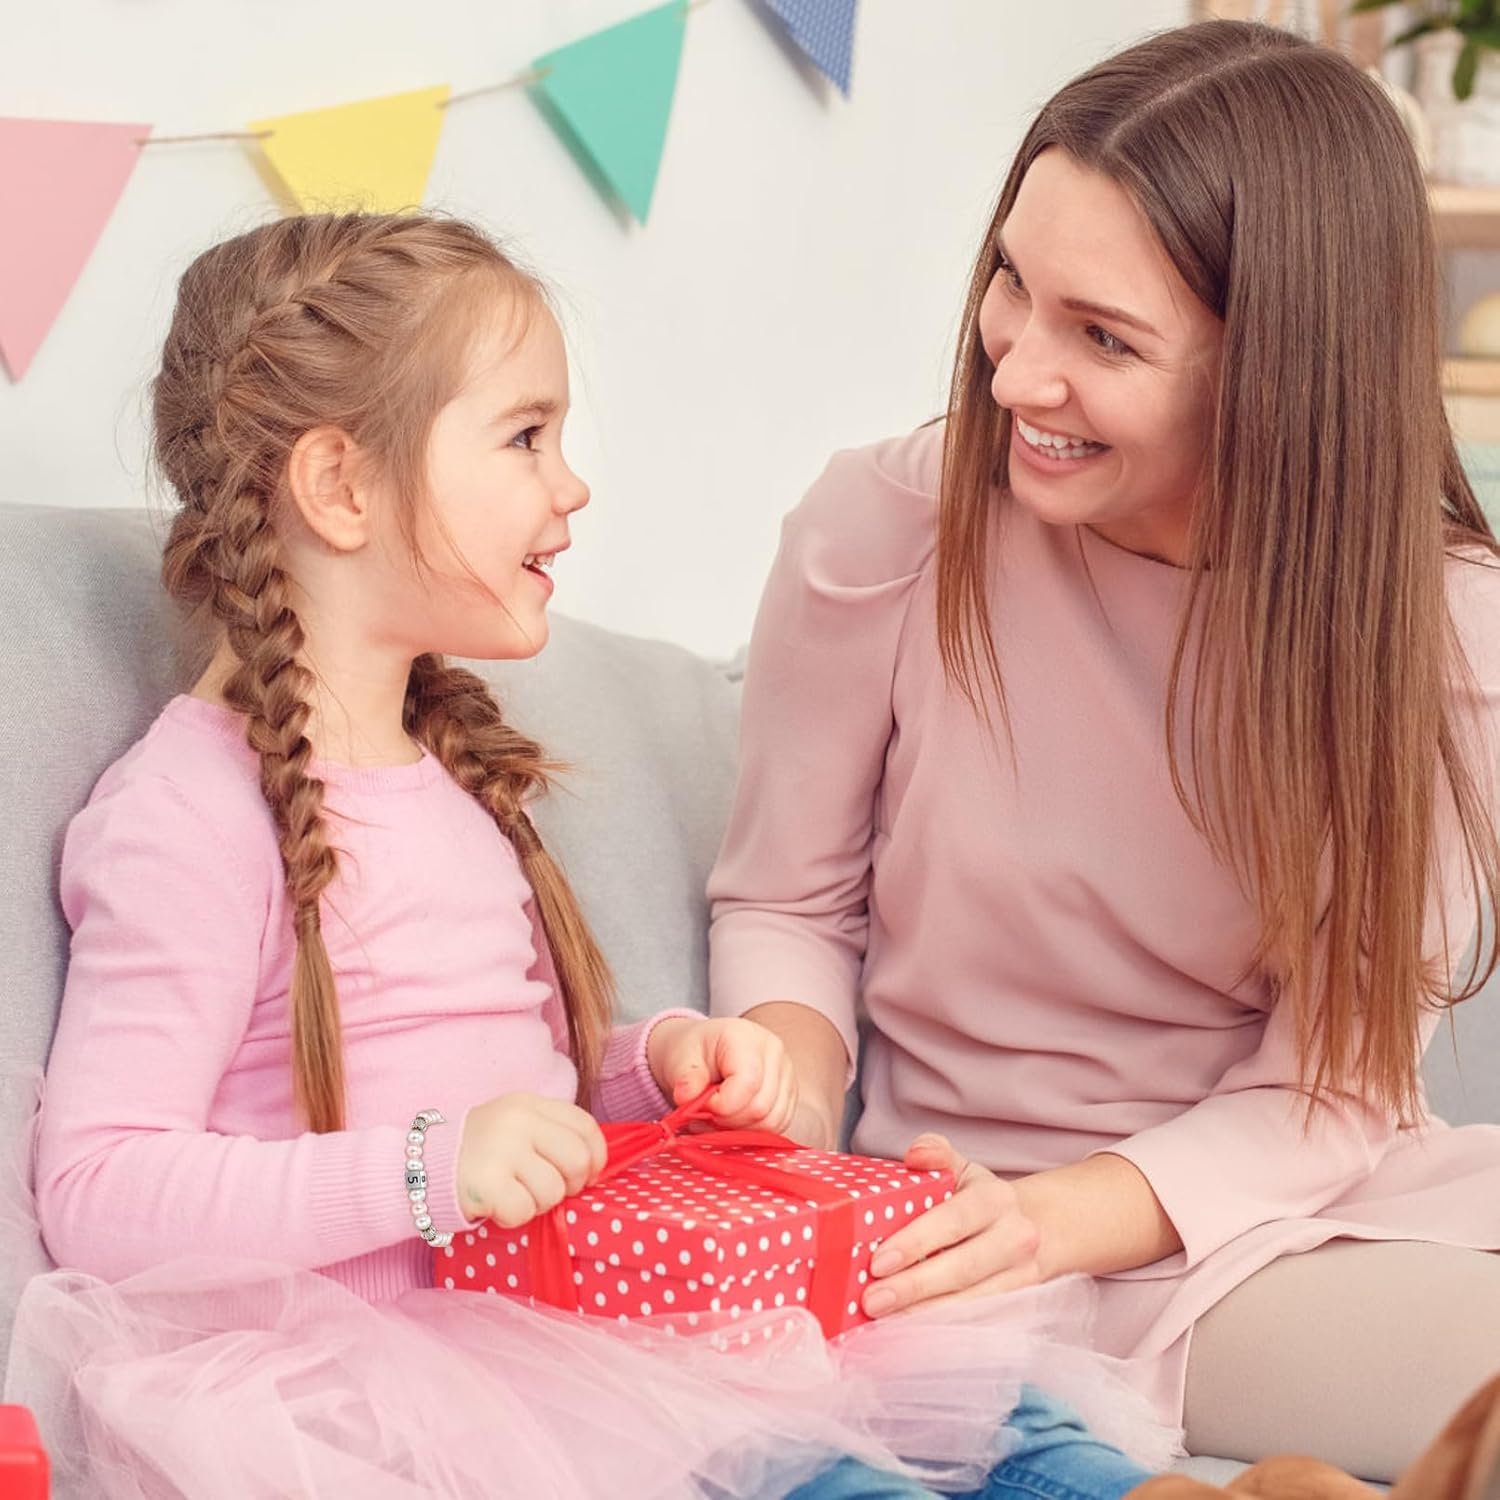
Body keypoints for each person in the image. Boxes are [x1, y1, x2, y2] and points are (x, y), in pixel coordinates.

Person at [6, 209, 1191, 1500]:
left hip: (573, 1325)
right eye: (524, 436)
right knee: (835, 1479)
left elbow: (522, 1097)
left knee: (1010, 1421)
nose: (570, 485)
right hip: (404, 1390)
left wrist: (654, 1066)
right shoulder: (189, 812)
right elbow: (97, 1186)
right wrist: (422, 1171)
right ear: (341, 486)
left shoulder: (447, 774)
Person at [707, 17, 1500, 1493]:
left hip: (1253, 1217)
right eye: (1015, 281)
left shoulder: (1446, 629)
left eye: (1105, 337)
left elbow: (1330, 1087)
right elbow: (786, 905)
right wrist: (788, 1100)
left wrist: (1066, 1212)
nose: (1013, 372)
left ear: (1279, 372)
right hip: (950, 1232)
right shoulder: (887, 526)